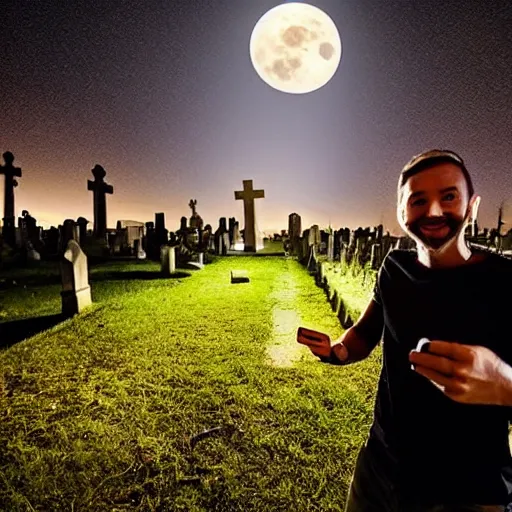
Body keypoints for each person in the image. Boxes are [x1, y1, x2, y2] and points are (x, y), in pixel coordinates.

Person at [328, 149, 512, 511]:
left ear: (472, 206)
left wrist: (505, 383)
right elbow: (367, 331)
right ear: (401, 211)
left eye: (448, 197)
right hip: (381, 471)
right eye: (418, 200)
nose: (433, 212)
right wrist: (339, 350)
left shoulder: (504, 281)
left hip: (468, 491)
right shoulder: (394, 268)